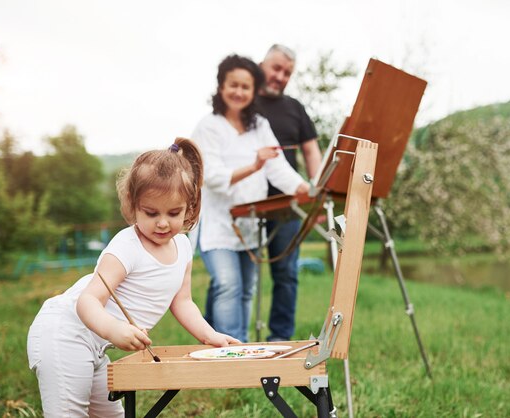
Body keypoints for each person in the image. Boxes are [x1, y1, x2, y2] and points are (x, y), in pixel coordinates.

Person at [27, 138, 238, 417]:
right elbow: (88, 301)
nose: (162, 223)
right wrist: (115, 329)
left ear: (190, 206)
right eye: (151, 213)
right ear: (133, 205)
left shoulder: (184, 247)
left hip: (95, 345)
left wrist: (210, 335)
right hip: (64, 333)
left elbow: (183, 302)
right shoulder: (127, 246)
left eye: (173, 213)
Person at [192, 54, 309, 343]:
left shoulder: (259, 124)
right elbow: (213, 177)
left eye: (246, 86)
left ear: (253, 90)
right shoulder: (209, 126)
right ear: (221, 86)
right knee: (228, 284)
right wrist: (254, 166)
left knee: (246, 290)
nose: (239, 92)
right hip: (217, 224)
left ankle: (239, 348)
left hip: (248, 225)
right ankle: (229, 351)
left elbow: (277, 166)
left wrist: (302, 188)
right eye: (233, 85)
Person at [256, 44, 322, 342]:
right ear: (262, 65)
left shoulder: (295, 108)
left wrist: (318, 192)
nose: (280, 76)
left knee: (287, 273)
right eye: (276, 68)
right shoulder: (243, 100)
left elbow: (311, 150)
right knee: (237, 278)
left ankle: (279, 338)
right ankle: (221, 336)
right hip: (247, 202)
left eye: (287, 73)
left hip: (288, 206)